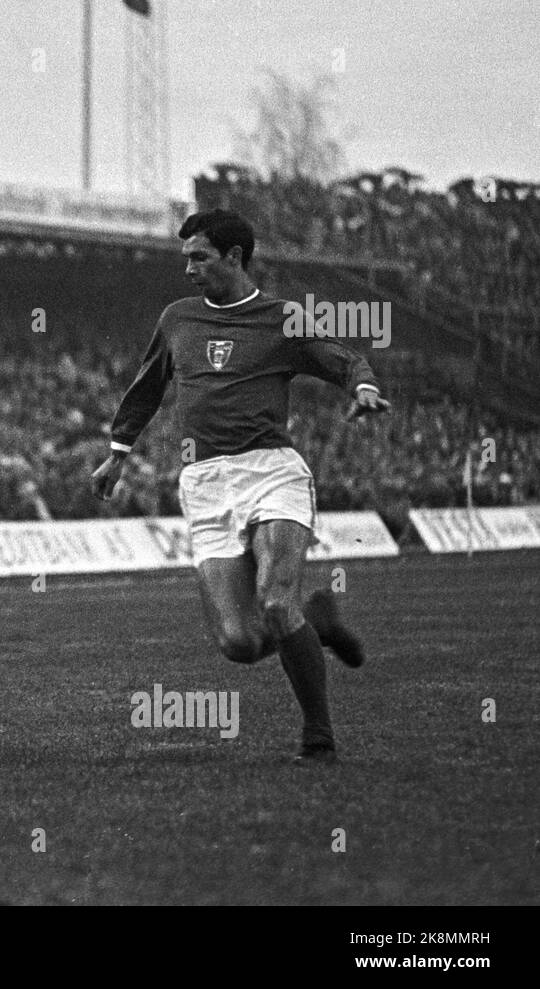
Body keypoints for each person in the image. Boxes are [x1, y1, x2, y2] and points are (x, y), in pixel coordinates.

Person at [91, 209, 390, 765]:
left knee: (276, 603)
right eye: (185, 259)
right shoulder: (177, 319)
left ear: (234, 257)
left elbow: (341, 356)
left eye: (198, 257)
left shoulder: (282, 318)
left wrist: (364, 386)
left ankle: (318, 733)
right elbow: (147, 386)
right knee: (240, 644)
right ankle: (318, 623)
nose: (188, 270)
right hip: (205, 484)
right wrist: (117, 454)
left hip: (272, 471)